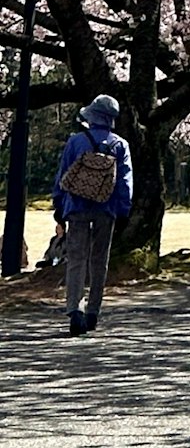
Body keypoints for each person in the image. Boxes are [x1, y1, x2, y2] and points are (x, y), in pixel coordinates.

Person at [53, 94, 133, 337]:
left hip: (77, 206)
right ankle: (93, 311)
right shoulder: (120, 145)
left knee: (76, 258)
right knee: (99, 260)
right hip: (106, 208)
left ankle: (74, 310)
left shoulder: (76, 141)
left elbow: (63, 175)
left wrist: (59, 205)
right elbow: (124, 182)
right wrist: (123, 210)